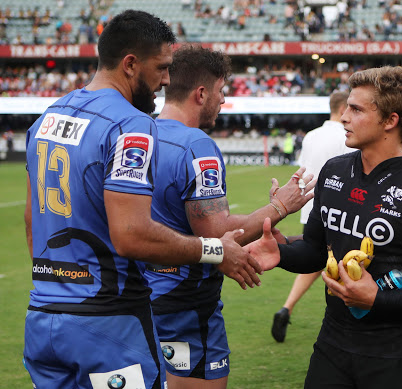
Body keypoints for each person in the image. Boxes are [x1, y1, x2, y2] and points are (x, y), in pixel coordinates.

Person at [23, 11, 261, 389]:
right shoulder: (130, 124)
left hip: (44, 318)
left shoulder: (49, 117)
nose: (166, 80)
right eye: (161, 68)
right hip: (108, 323)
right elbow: (132, 234)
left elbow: (32, 222)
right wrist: (215, 251)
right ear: (131, 64)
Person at [247, 66, 402, 389]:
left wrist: (379, 300)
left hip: (396, 354)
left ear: (390, 121)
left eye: (356, 109)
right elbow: (314, 252)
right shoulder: (333, 172)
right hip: (333, 344)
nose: (344, 118)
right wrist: (280, 254)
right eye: (347, 107)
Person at [145, 44, 315, 389]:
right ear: (202, 93)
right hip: (185, 299)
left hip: (141, 292)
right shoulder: (196, 145)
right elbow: (216, 232)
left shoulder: (139, 134)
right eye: (222, 92)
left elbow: (179, 218)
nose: (224, 101)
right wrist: (280, 207)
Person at [271, 90, 355, 343]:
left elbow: (303, 168)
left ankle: (287, 307)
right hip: (337, 207)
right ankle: (342, 319)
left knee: (317, 258)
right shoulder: (345, 135)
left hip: (310, 205)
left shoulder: (311, 135)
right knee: (339, 262)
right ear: (343, 109)